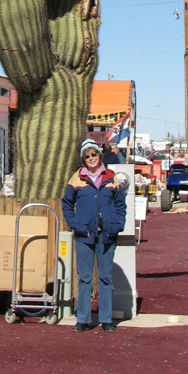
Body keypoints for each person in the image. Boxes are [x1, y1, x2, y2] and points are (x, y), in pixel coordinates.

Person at [61, 139, 127, 333]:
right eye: (87, 156)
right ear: (83, 158)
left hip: (107, 234)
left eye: (94, 155)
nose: (91, 158)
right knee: (85, 278)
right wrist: (74, 224)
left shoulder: (111, 177)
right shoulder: (77, 178)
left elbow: (120, 204)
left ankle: (106, 320)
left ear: (100, 155)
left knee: (106, 278)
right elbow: (67, 203)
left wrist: (118, 224)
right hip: (84, 235)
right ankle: (83, 319)